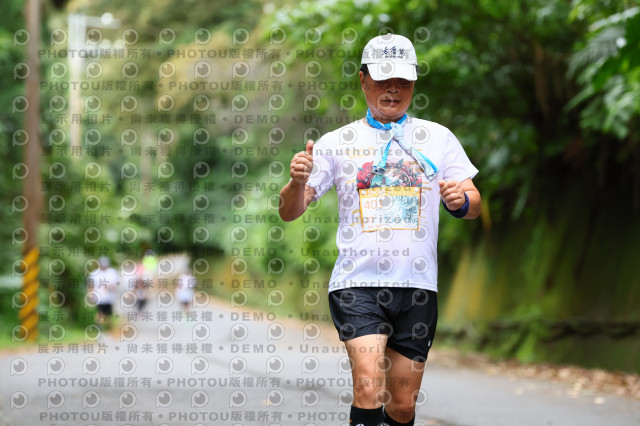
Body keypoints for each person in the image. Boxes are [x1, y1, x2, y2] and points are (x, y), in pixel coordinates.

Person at [279, 34, 481, 426]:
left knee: (403, 405)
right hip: (357, 284)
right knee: (369, 386)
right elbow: (290, 211)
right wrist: (297, 182)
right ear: (363, 80)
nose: (393, 89)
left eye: (403, 80)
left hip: (418, 286)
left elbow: (473, 203)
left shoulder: (438, 138)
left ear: (414, 84)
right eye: (383, 79)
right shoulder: (337, 142)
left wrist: (461, 201)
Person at [86, 256, 120, 333]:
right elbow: (90, 286)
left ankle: (108, 328)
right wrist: (90, 294)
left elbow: (116, 285)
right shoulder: (94, 273)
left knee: (108, 314)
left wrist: (110, 287)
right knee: (100, 312)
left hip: (109, 297)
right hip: (99, 297)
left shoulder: (112, 273)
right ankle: (99, 327)